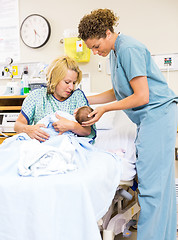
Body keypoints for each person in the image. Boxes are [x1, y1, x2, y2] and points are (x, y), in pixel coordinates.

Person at [78, 8, 178, 240]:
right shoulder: (114, 52)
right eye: (91, 48)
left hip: (158, 115)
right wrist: (85, 98)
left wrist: (103, 110)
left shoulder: (128, 48)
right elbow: (119, 90)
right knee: (159, 186)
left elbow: (141, 96)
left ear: (107, 32)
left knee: (152, 188)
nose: (94, 52)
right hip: (151, 117)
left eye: (96, 46)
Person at [14, 56, 96, 143]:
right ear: (54, 79)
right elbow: (17, 125)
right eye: (67, 82)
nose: (71, 87)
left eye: (74, 83)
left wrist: (72, 126)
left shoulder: (77, 96)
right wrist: (28, 129)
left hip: (69, 145)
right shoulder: (37, 96)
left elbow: (87, 131)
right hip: (43, 145)